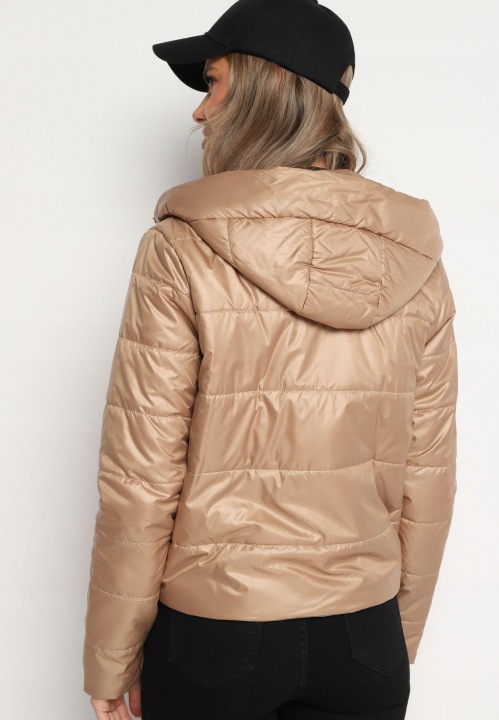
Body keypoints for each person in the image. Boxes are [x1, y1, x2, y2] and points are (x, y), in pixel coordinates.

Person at [83, 1, 458, 718]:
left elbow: (140, 481)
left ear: (266, 89)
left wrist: (111, 655)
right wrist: (395, 642)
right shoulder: (416, 260)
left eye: (213, 81)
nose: (200, 111)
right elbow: (428, 479)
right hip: (365, 637)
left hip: (216, 635)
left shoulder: (179, 249)